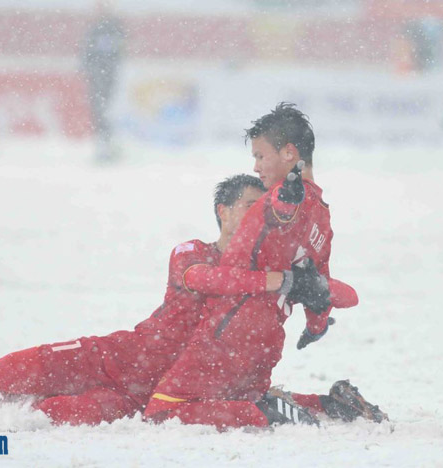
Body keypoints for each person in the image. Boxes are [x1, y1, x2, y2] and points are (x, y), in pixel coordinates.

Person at [0, 174, 350, 426]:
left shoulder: (269, 275)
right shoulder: (194, 251)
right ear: (222, 211)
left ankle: (334, 403)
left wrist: (315, 304)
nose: (258, 216)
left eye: (262, 210)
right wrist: (284, 281)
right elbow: (209, 279)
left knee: (48, 413)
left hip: (154, 395)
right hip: (117, 360)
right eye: (250, 206)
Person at [144, 103, 385, 429]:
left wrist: (283, 201)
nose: (256, 167)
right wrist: (317, 323)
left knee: (160, 412)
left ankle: (263, 412)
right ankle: (332, 405)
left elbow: (277, 214)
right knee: (237, 394)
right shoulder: (323, 218)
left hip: (228, 330)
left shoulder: (281, 197)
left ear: (289, 154)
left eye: (260, 156)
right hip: (268, 340)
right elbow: (321, 283)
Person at [81, 1, 124, 162]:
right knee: (99, 110)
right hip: (98, 74)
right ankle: (104, 144)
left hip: (107, 74)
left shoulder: (112, 27)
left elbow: (116, 50)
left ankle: (109, 144)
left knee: (106, 109)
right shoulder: (96, 28)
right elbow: (88, 51)